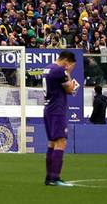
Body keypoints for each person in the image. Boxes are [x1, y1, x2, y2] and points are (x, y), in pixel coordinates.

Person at [43, 50, 77, 186]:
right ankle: (55, 178)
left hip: (48, 108)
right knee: (61, 142)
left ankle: (49, 177)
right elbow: (70, 90)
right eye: (72, 65)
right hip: (57, 109)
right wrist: (68, 73)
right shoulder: (59, 70)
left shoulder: (48, 68)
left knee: (52, 142)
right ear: (66, 62)